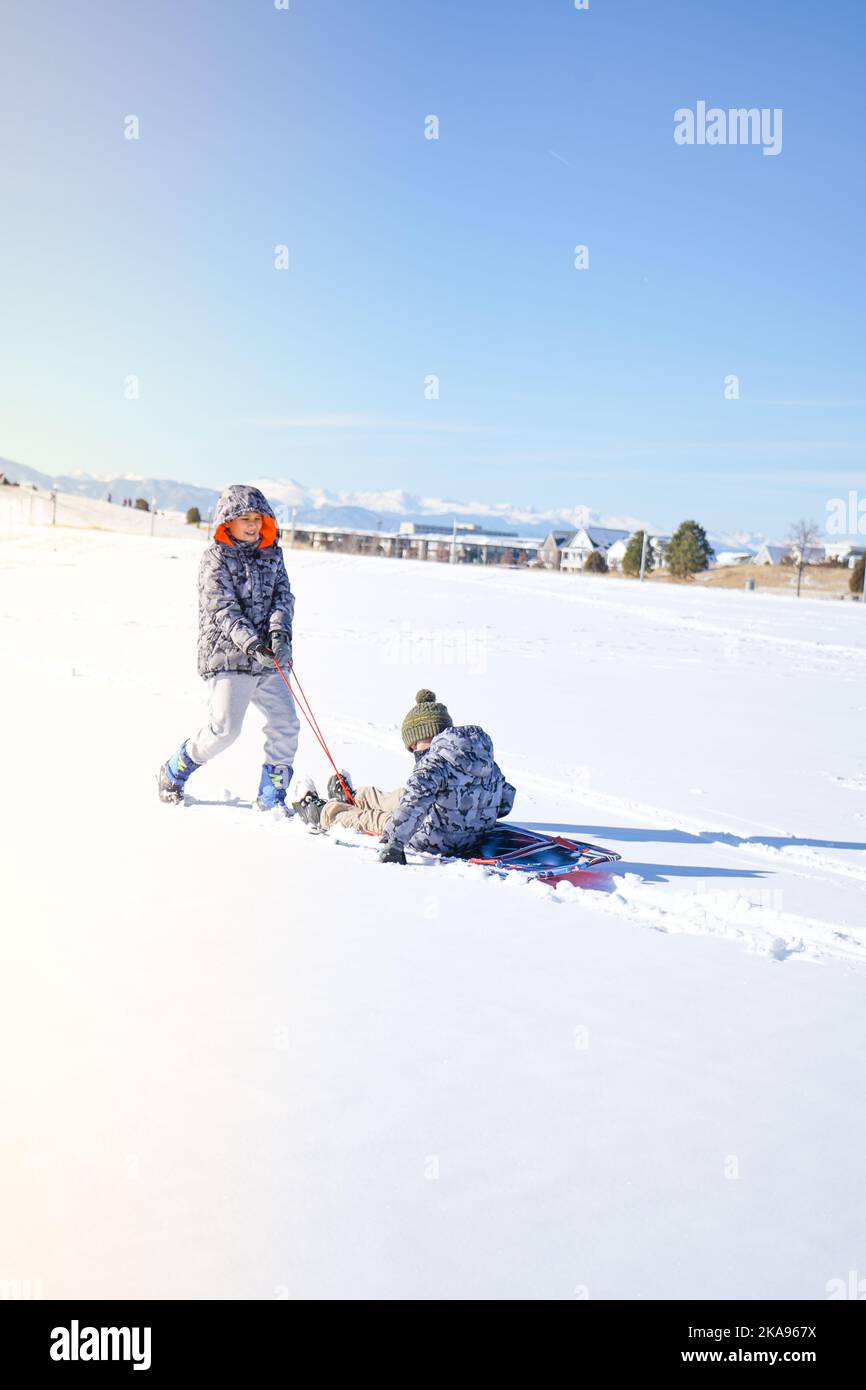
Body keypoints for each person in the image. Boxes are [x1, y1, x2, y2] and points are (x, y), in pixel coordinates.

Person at [157, 484, 299, 814]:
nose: (252, 524)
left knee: (286, 723)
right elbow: (222, 609)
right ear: (227, 522)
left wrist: (279, 633)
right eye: (244, 518)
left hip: (269, 658)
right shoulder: (215, 559)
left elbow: (283, 597)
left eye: (257, 518)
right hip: (229, 656)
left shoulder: (272, 555)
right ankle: (173, 771)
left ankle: (272, 794)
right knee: (224, 731)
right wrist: (251, 643)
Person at [293, 690, 515, 863]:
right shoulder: (485, 758)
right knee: (401, 795)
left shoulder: (432, 764)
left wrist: (395, 843)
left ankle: (325, 812)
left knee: (375, 818)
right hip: (477, 834)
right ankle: (357, 796)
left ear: (415, 740)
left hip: (434, 840)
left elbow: (413, 805)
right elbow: (505, 803)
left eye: (413, 746)